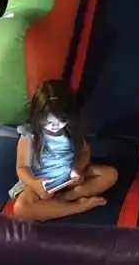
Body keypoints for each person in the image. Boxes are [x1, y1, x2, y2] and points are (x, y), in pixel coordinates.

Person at [7, 79, 118, 222]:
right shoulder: (30, 134)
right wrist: (36, 185)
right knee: (21, 208)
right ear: (38, 115)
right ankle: (77, 206)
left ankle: (66, 198)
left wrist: (78, 168)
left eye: (61, 121)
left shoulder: (71, 130)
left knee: (110, 175)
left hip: (69, 177)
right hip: (42, 182)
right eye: (49, 122)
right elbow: (22, 168)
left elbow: (84, 152)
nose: (55, 126)